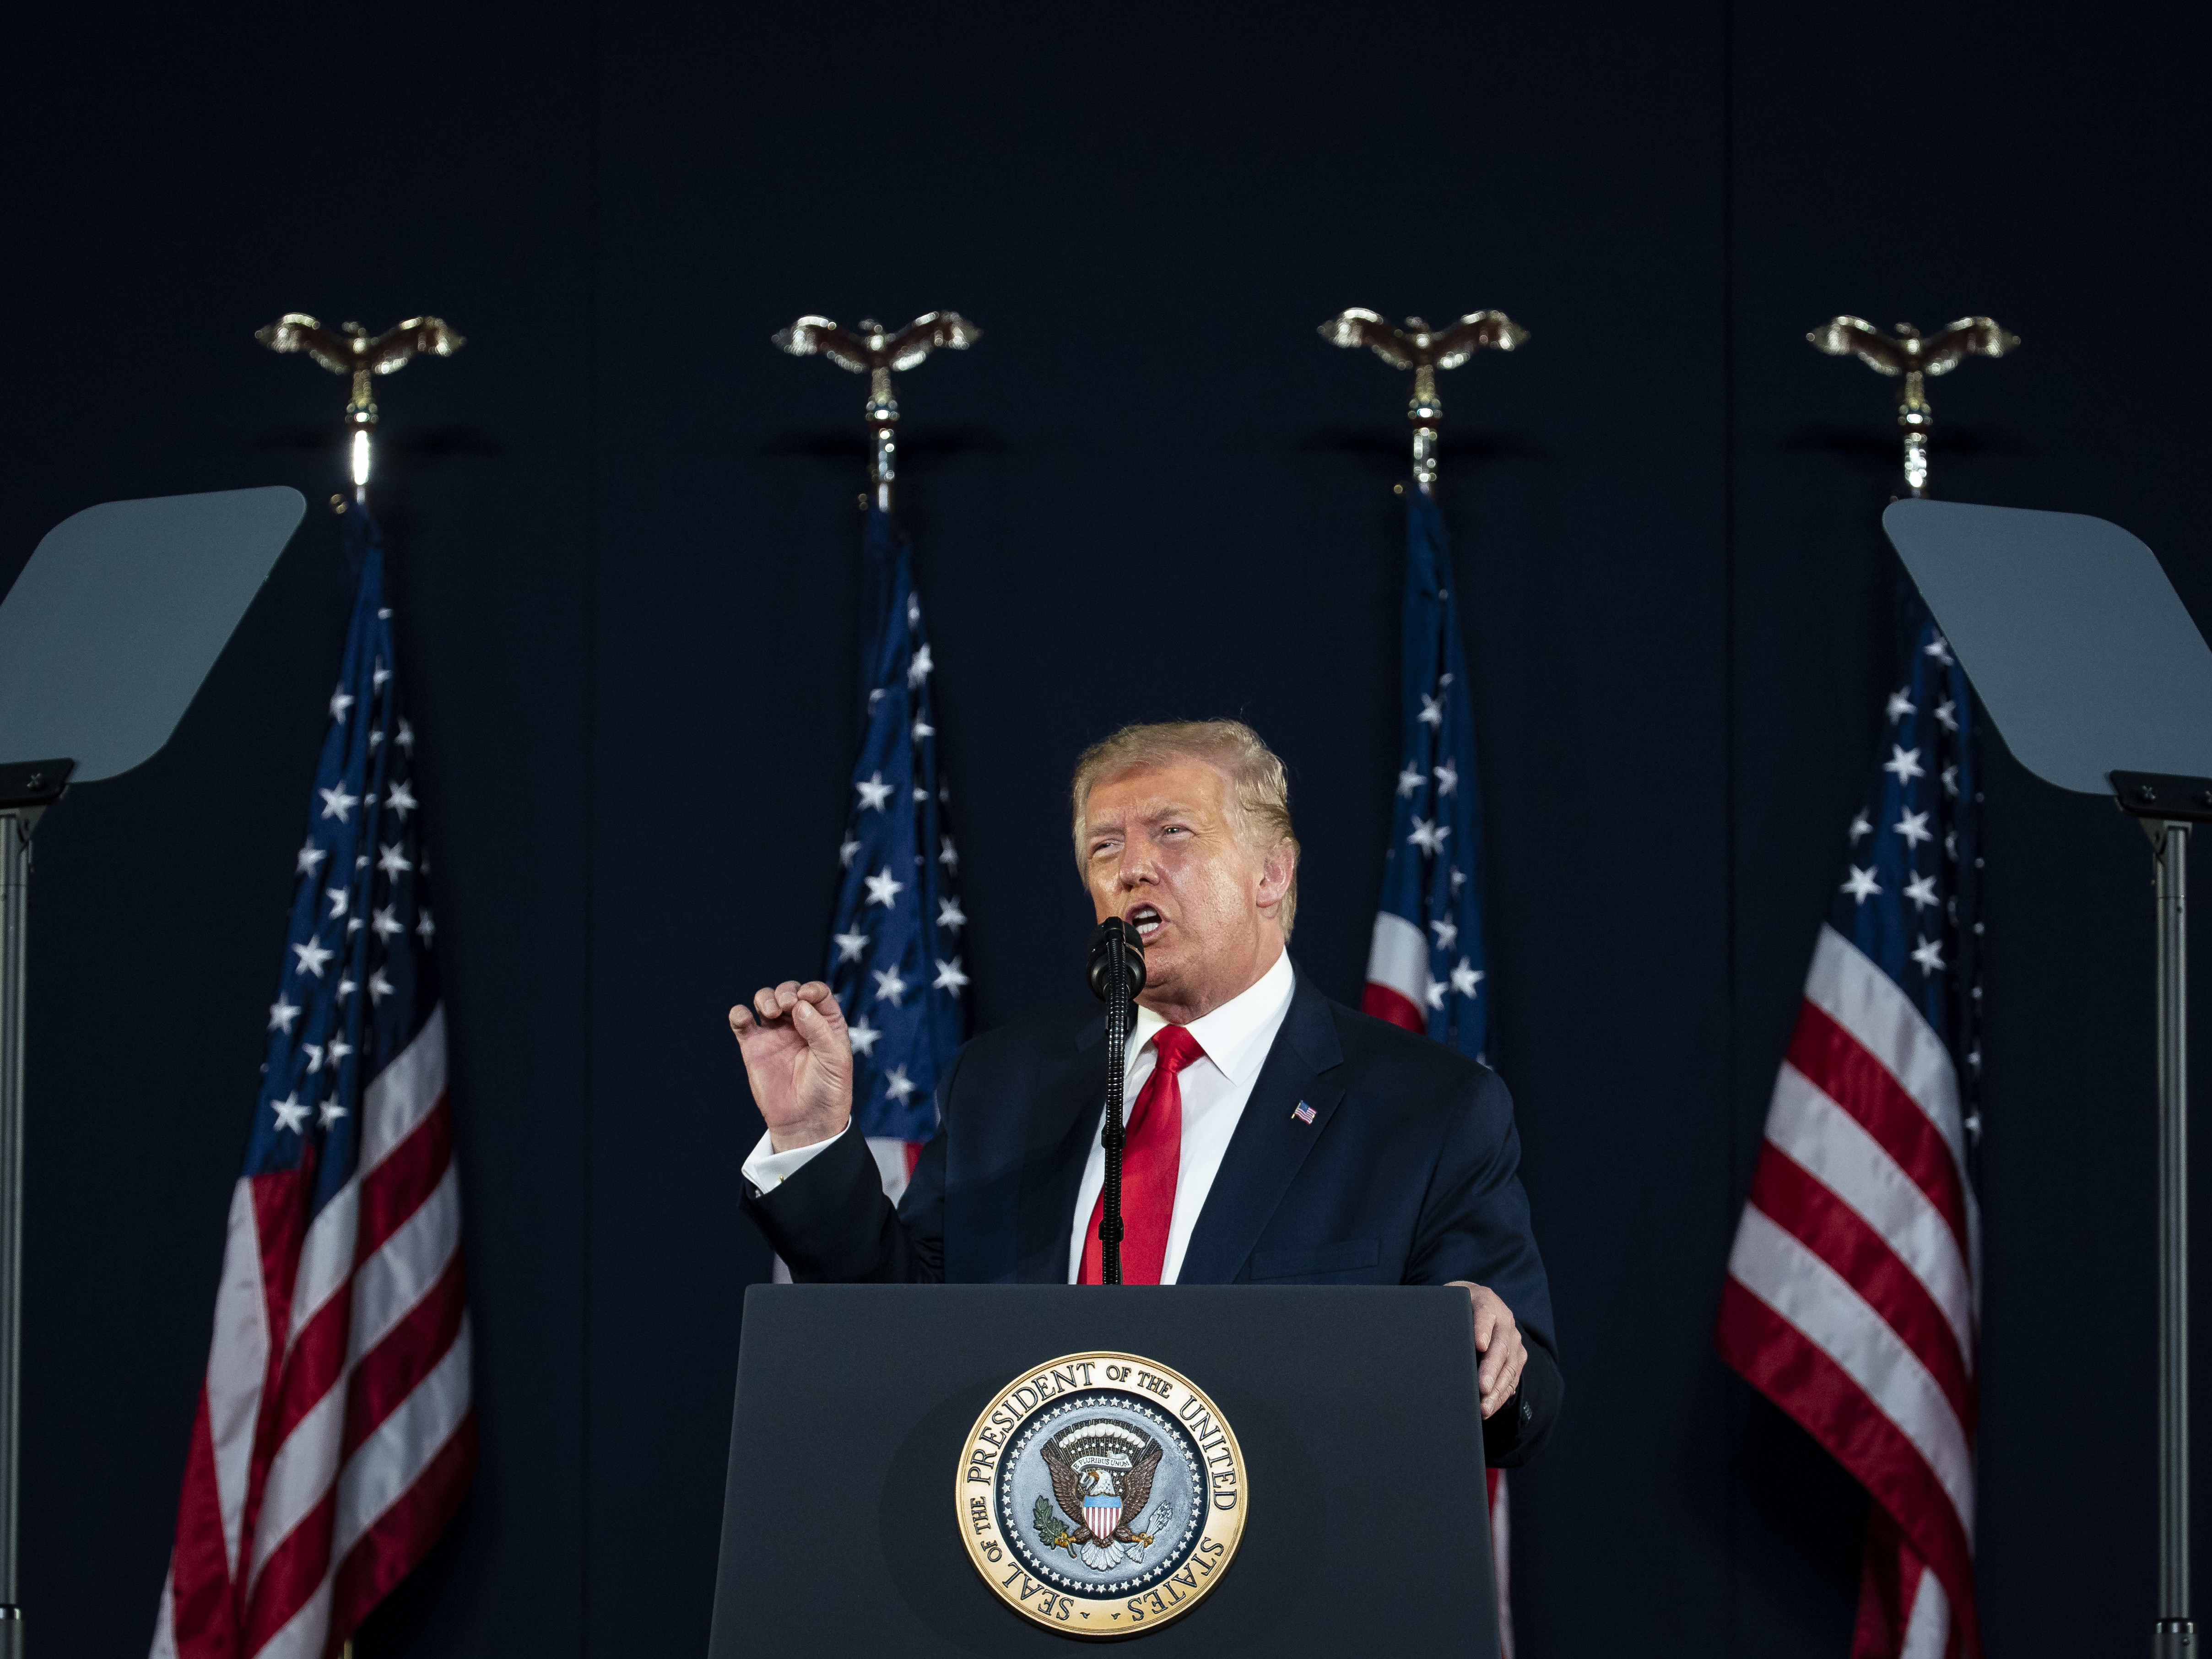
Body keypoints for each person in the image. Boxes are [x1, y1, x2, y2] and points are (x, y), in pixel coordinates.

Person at [731, 719, 1561, 1464]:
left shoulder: (1426, 1108)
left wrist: (1482, 1346)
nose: (1132, 869)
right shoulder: (1006, 1084)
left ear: (1271, 872)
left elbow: (1522, 1409)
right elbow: (898, 1332)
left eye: (1172, 834)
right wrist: (811, 1140)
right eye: (1103, 849)